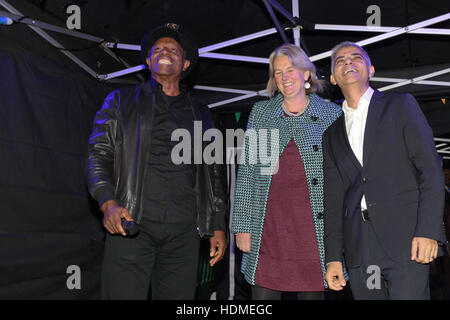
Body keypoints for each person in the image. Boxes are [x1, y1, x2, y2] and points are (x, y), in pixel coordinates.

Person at [85, 22, 227, 300]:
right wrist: (108, 203)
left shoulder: (201, 113)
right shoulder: (120, 101)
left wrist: (218, 224)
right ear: (148, 60)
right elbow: (97, 156)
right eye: (158, 49)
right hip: (131, 225)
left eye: (173, 49)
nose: (164, 52)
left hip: (184, 233)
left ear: (185, 63)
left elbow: (212, 173)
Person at [323, 41, 446, 299]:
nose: (348, 62)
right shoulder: (330, 134)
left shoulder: (400, 106)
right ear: (333, 78)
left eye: (356, 58)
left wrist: (428, 231)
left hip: (407, 239)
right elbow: (333, 200)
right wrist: (333, 257)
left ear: (371, 70)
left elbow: (430, 169)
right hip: (361, 247)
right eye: (340, 60)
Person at [231, 44, 343, 300]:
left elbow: (341, 177)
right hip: (268, 231)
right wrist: (242, 226)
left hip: (313, 235)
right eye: (278, 72)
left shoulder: (331, 114)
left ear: (306, 74)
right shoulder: (262, 113)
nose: (284, 77)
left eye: (290, 70)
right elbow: (248, 172)